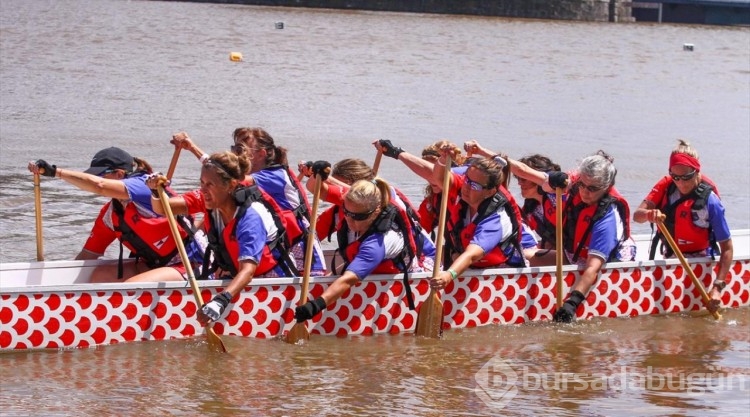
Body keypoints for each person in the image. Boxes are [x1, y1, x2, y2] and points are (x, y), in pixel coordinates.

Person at [146, 151, 297, 324]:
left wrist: (221, 301)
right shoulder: (209, 199)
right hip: (237, 278)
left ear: (231, 185)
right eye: (201, 183)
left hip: (273, 286)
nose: (203, 190)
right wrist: (156, 192)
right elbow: (163, 208)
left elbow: (247, 271)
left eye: (210, 184)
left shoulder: (251, 217)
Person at [171, 129, 326, 276]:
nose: (235, 154)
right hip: (282, 250)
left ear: (261, 153)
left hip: (305, 254)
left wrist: (192, 148)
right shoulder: (245, 188)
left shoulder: (277, 176)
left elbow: (224, 176)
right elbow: (220, 177)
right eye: (234, 147)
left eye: (241, 149)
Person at [27, 147, 193, 283]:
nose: (94, 179)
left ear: (119, 174)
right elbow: (87, 256)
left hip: (190, 265)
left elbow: (99, 186)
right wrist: (56, 282)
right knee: (99, 276)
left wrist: (55, 172)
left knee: (131, 286)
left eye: (99, 174)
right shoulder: (110, 215)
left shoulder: (145, 186)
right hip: (153, 265)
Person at [294, 176, 432, 323]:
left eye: (358, 217)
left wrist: (316, 305)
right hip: (367, 269)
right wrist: (317, 174)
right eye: (346, 213)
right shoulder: (353, 202)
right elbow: (318, 189)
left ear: (376, 211)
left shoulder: (383, 239)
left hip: (407, 282)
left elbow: (349, 279)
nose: (349, 220)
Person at [528, 151, 636, 323]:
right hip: (580, 257)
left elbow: (592, 268)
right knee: (526, 256)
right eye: (583, 186)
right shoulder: (576, 192)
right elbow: (526, 173)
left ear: (606, 187)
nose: (585, 192)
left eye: (592, 188)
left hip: (609, 263)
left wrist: (572, 302)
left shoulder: (606, 217)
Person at [633, 139, 732, 313]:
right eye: (675, 177)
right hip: (672, 254)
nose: (681, 183)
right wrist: (649, 214)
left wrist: (717, 288)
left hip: (702, 258)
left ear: (697, 171)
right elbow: (637, 217)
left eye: (686, 176)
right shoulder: (665, 187)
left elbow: (727, 248)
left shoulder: (711, 201)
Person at [428, 146, 533, 295]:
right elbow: (440, 178)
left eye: (474, 185)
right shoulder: (467, 186)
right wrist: (443, 160)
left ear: (490, 192)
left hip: (499, 274)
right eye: (467, 180)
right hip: (465, 264)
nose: (466, 187)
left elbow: (472, 254)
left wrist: (448, 275)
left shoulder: (496, 218)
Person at [373, 139, 465, 236]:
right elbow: (417, 230)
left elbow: (435, 174)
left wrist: (395, 152)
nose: (430, 179)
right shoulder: (432, 201)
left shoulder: (465, 184)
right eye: (424, 175)